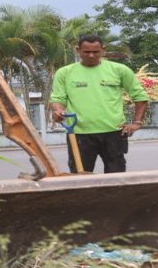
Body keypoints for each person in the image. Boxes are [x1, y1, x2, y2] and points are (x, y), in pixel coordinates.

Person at [49, 34, 150, 173]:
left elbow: (140, 96)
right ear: (78, 50)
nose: (91, 55)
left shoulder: (119, 70)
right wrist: (57, 111)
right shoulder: (65, 73)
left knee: (116, 177)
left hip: (114, 133)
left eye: (95, 52)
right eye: (86, 52)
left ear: (103, 50)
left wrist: (137, 123)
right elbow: (57, 100)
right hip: (79, 134)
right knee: (80, 178)